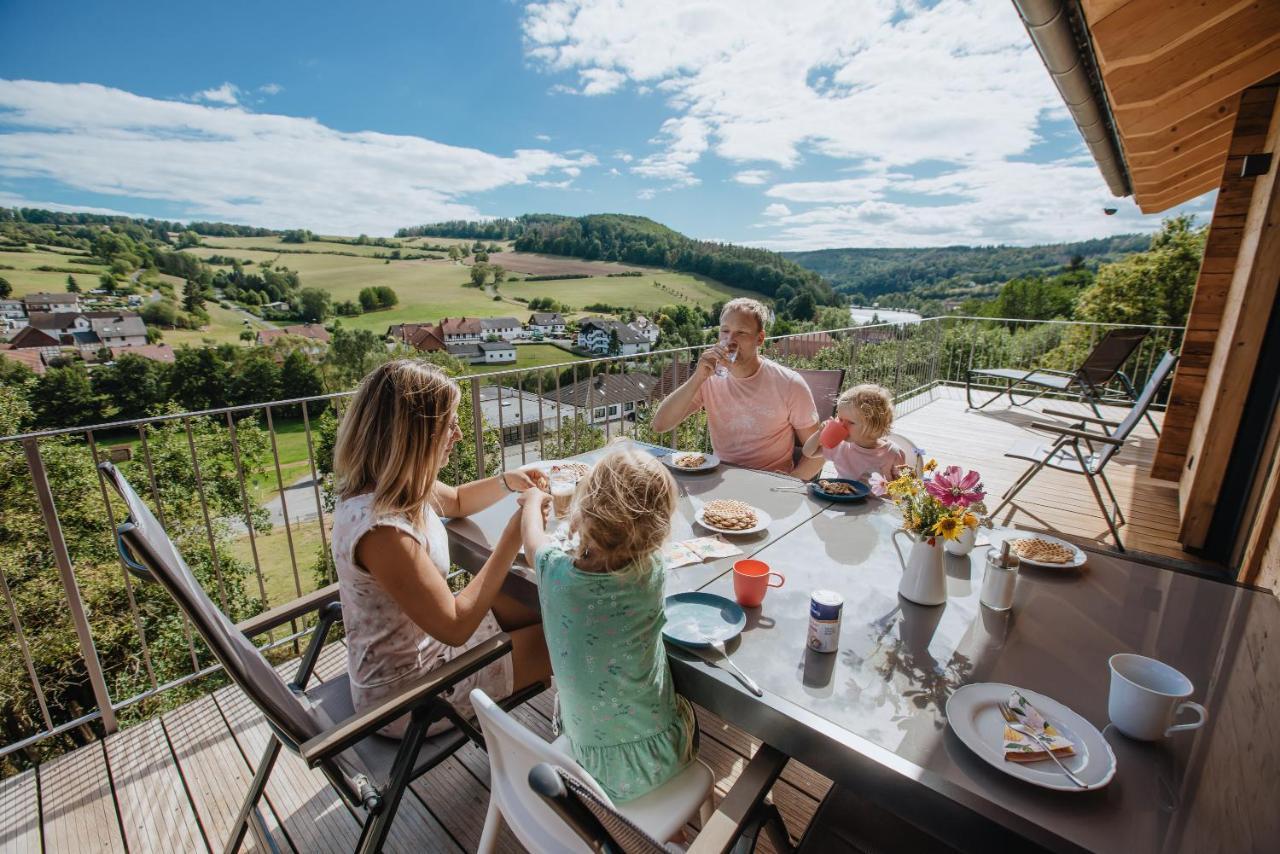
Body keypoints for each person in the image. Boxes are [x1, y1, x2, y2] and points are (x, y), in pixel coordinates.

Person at [330, 359, 550, 737]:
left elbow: (459, 501)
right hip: (408, 697)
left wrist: (505, 482)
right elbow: (455, 626)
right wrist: (515, 533)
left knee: (543, 606)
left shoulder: (393, 485)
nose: (459, 435)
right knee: (569, 638)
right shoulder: (383, 532)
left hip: (427, 648)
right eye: (449, 425)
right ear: (415, 434)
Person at [519, 446, 697, 802]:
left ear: (585, 510)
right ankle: (676, 827)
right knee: (689, 705)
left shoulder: (554, 572)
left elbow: (531, 544)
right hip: (656, 758)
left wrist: (530, 504)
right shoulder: (651, 576)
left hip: (584, 757)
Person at [651, 297, 821, 476]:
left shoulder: (789, 384)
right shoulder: (709, 378)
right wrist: (697, 378)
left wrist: (787, 487)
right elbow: (660, 425)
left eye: (741, 333)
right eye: (725, 331)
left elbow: (819, 453)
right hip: (718, 477)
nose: (730, 340)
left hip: (769, 483)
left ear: (760, 338)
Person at [801, 383, 907, 482]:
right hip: (842, 498)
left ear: (873, 426)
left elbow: (901, 486)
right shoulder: (839, 446)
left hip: (876, 502)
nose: (842, 425)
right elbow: (808, 452)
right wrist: (820, 433)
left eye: (850, 422)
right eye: (840, 419)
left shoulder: (892, 454)